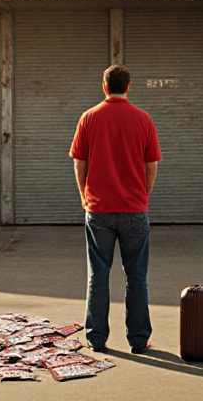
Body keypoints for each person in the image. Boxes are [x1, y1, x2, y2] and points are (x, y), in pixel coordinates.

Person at [69, 63, 162, 354]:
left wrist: (85, 196)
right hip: (135, 209)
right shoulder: (143, 119)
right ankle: (138, 339)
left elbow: (79, 162)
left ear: (104, 86)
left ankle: (96, 339)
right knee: (136, 276)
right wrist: (142, 196)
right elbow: (152, 165)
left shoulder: (89, 118)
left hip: (99, 210)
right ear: (129, 86)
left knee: (98, 274)